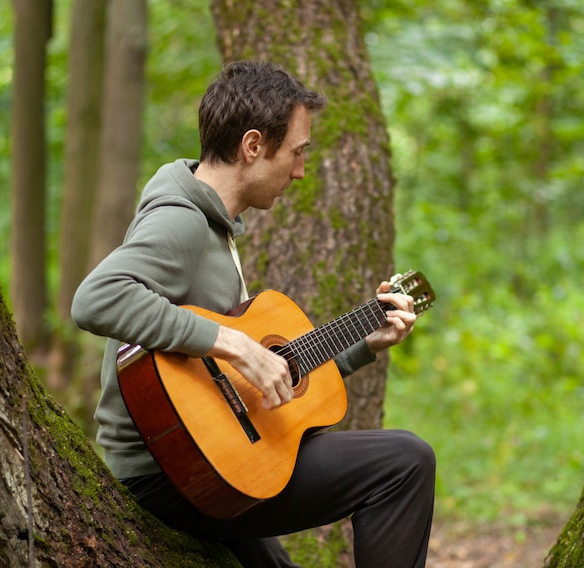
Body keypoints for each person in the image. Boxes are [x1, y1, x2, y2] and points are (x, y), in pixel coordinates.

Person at [71, 60, 435, 568]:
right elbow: (96, 298)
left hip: (214, 455)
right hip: (170, 474)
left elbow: (230, 380)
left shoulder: (215, 224)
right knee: (404, 462)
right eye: (297, 152)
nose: (301, 170)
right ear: (252, 146)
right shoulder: (182, 222)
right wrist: (236, 343)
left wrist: (362, 346)